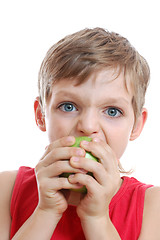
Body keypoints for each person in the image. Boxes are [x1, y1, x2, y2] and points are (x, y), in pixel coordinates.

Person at [0, 27, 160, 240]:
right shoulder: (7, 189)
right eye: (68, 106)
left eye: (112, 111)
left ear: (136, 125)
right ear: (40, 115)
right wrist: (45, 212)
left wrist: (97, 218)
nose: (87, 125)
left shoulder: (151, 206)